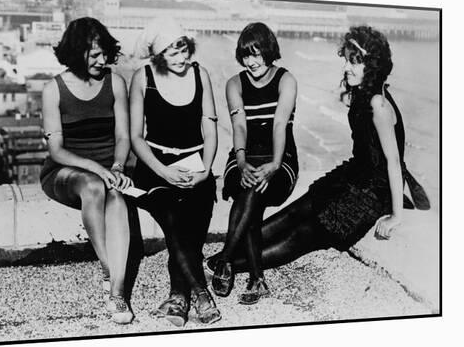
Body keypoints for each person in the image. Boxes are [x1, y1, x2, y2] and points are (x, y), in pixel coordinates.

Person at [206, 25, 430, 298]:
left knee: (300, 236)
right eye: (346, 59)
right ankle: (224, 255)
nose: (347, 67)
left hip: (369, 195)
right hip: (350, 178)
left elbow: (394, 163)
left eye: (354, 61)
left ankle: (224, 263)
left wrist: (396, 215)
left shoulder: (379, 105)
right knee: (293, 214)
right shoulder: (362, 95)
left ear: (373, 65)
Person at [40, 17, 134, 324]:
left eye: (104, 52)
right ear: (75, 52)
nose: (102, 59)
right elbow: (57, 150)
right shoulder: (53, 90)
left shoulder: (115, 82)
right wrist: (96, 166)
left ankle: (117, 293)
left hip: (109, 169)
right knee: (93, 186)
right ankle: (109, 267)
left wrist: (117, 165)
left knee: (117, 197)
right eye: (94, 54)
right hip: (66, 172)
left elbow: (123, 136)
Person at [129, 17, 221, 326]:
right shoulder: (142, 78)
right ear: (158, 56)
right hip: (155, 169)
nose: (181, 59)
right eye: (172, 53)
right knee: (173, 219)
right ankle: (201, 293)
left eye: (183, 50)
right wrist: (164, 172)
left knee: (190, 231)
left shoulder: (201, 74)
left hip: (196, 167)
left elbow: (209, 126)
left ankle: (178, 298)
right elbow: (135, 137)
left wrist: (207, 169)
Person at [208, 22, 299, 304]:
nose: (252, 61)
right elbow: (239, 127)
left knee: (252, 194)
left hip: (280, 157)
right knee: (249, 192)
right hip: (244, 154)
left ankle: (225, 260)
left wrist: (273, 164)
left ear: (269, 51)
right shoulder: (235, 84)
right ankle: (256, 280)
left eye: (257, 53)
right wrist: (242, 161)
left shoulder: (286, 80)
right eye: (246, 55)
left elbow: (280, 124)